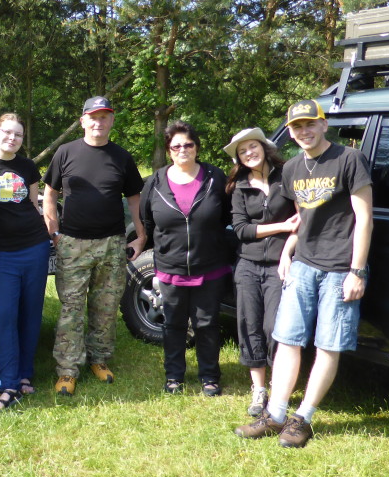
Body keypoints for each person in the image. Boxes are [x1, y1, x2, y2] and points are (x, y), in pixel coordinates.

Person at [235, 99, 373, 447]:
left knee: (328, 344)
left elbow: (364, 218)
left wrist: (356, 270)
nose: (304, 131)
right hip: (304, 265)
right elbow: (301, 219)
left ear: (324, 125)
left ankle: (304, 418)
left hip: (340, 268)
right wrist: (288, 250)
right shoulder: (293, 169)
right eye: (296, 127)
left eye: (310, 124)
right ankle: (276, 414)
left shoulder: (349, 159)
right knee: (287, 339)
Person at [43, 96, 147, 396]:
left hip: (111, 244)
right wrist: (54, 230)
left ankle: (99, 360)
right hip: (73, 243)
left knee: (105, 307)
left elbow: (134, 199)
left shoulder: (121, 157)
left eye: (105, 117)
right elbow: (49, 193)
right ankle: (67, 370)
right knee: (71, 309)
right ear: (83, 120)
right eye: (94, 117)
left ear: (111, 121)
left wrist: (140, 235)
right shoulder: (66, 152)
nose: (99, 122)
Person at [141, 121, 231, 396]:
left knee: (206, 323)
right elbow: (147, 219)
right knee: (174, 323)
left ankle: (209, 376)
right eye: (176, 146)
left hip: (210, 266)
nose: (183, 150)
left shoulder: (216, 178)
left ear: (197, 147)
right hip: (171, 267)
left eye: (188, 145)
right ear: (169, 151)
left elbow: (228, 216)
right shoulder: (155, 182)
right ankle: (174, 376)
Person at [0, 113, 52, 411]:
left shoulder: (27, 166)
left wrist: (48, 233)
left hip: (34, 247)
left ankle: (24, 376)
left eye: (18, 135)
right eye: (7, 132)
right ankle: (7, 383)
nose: (13, 138)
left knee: (30, 313)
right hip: (1, 252)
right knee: (3, 316)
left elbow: (32, 204)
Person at [225, 127, 299, 415]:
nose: (249, 153)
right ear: (239, 159)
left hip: (280, 265)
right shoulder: (239, 187)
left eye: (252, 147)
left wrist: (288, 250)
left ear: (265, 148)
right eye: (243, 152)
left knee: (275, 327)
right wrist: (281, 227)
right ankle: (259, 390)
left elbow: (302, 216)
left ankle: (280, 385)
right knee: (249, 325)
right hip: (247, 264)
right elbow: (242, 230)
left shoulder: (287, 176)